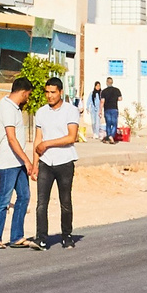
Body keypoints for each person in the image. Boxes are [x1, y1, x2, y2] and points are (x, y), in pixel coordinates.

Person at [31, 77, 86, 248]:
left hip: (65, 160)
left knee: (65, 200)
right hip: (46, 162)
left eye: (53, 92)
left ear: (61, 92)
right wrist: (34, 164)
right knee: (41, 203)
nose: (50, 96)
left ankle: (67, 234)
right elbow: (37, 139)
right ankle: (41, 237)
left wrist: (47, 143)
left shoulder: (71, 111)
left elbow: (72, 137)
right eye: (47, 92)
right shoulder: (41, 112)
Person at [0, 77, 36, 249]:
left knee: (24, 196)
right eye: (28, 95)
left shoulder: (14, 108)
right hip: (9, 162)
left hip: (17, 162)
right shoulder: (7, 107)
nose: (28, 99)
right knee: (3, 200)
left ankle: (17, 236)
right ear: (23, 93)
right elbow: (11, 138)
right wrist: (27, 160)